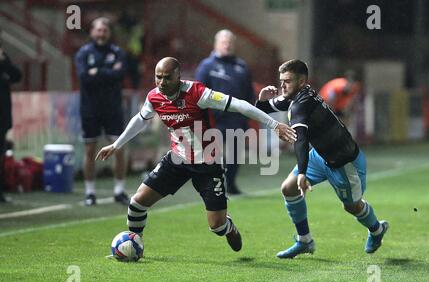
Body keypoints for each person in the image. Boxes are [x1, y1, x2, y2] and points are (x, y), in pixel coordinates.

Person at [96, 57, 296, 252]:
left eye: (167, 77)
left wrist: (273, 124)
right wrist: (116, 144)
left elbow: (239, 105)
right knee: (137, 203)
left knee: (217, 226)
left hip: (208, 162)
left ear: (178, 77)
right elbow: (141, 119)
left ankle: (229, 227)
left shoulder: (198, 93)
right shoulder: (154, 97)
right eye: (158, 77)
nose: (162, 83)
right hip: (177, 159)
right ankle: (134, 244)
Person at [255, 60, 388, 258]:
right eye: (281, 81)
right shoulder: (297, 95)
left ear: (301, 82)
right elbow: (265, 108)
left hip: (344, 163)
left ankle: (377, 230)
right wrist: (261, 100)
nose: (282, 85)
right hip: (321, 155)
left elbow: (300, 140)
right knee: (288, 188)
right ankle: (304, 241)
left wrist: (302, 172)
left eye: (287, 81)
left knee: (352, 206)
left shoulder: (301, 104)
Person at [75, 17, 129, 206]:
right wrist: (107, 72)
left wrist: (96, 72)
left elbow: (120, 75)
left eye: (104, 30)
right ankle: (90, 193)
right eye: (98, 30)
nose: (101, 33)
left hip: (113, 108)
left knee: (118, 148)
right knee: (90, 149)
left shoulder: (118, 53)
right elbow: (83, 77)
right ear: (92, 31)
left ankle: (119, 190)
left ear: (109, 32)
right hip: (90, 109)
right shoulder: (84, 53)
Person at [195, 30, 255, 195]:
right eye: (224, 42)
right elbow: (198, 92)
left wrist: (249, 114)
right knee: (211, 154)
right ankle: (213, 185)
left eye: (230, 42)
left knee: (235, 154)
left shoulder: (242, 66)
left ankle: (231, 183)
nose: (227, 45)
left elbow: (249, 93)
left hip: (236, 118)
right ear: (216, 44)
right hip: (214, 119)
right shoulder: (207, 65)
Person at [0, 36, 22, 203]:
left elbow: (17, 75)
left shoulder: (3, 56)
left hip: (2, 114)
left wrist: (3, 62)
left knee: (1, 154)